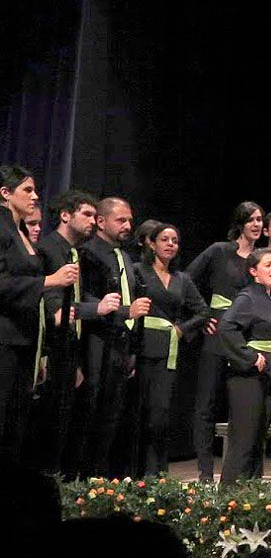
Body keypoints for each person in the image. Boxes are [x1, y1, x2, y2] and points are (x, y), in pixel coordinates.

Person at [0, 165, 78, 465]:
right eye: (27, 190)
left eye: (35, 190)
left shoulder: (19, 231)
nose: (35, 196)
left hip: (24, 341)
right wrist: (50, 280)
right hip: (5, 340)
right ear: (5, 193)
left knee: (17, 423)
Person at [34, 189, 111, 476]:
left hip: (67, 351)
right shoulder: (49, 250)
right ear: (65, 215)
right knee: (51, 428)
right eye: (87, 214)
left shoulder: (74, 252)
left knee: (67, 426)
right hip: (50, 352)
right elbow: (55, 313)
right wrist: (97, 309)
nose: (93, 221)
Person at [186, 200, 262, 481]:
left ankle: (241, 470)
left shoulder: (262, 257)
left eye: (259, 220)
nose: (257, 224)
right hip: (218, 335)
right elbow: (187, 279)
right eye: (252, 219)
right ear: (240, 223)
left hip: (247, 337)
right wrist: (203, 315)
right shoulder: (219, 251)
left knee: (243, 405)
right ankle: (205, 470)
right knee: (206, 402)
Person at [77, 196, 151, 475]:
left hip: (122, 346)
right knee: (94, 414)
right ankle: (86, 480)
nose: (128, 225)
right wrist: (124, 312)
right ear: (100, 221)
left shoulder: (123, 255)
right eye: (121, 220)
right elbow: (88, 299)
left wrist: (132, 348)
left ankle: (106, 479)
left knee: (114, 417)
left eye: (130, 220)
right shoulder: (89, 254)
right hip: (98, 344)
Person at [133, 223, 210, 476]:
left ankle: (157, 473)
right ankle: (134, 472)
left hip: (168, 352)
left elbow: (202, 311)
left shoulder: (182, 279)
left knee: (160, 415)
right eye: (164, 239)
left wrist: (182, 328)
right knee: (139, 413)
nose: (170, 244)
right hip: (140, 347)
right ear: (151, 243)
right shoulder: (138, 272)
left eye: (174, 241)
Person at [218, 247, 271, 481]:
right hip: (247, 379)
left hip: (268, 377)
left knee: (258, 441)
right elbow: (227, 327)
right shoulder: (248, 297)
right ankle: (228, 499)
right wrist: (250, 356)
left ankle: (251, 501)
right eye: (268, 265)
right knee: (243, 441)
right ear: (253, 271)